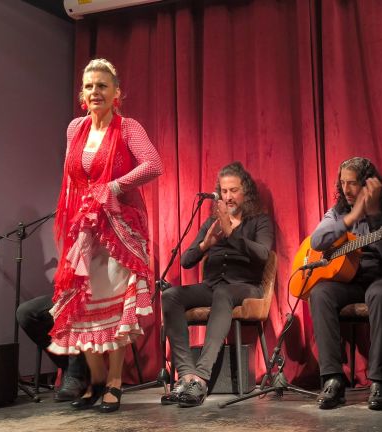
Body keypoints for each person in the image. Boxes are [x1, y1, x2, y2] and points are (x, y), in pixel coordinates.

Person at [47, 58, 163, 413]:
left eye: (102, 85)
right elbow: (71, 178)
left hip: (119, 227)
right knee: (82, 306)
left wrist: (113, 185)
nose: (95, 91)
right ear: (81, 94)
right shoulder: (75, 129)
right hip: (83, 227)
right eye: (89, 86)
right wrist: (68, 218)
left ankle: (114, 383)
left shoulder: (128, 128)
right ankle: (95, 382)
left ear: (117, 93)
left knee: (113, 308)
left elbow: (154, 164)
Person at [160, 162, 274, 408]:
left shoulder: (259, 221)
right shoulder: (210, 222)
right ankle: (186, 375)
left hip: (246, 288)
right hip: (213, 287)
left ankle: (201, 379)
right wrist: (206, 243)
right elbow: (187, 260)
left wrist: (233, 234)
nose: (228, 196)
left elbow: (264, 254)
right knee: (170, 295)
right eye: (224, 191)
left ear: (246, 192)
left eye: (234, 190)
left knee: (223, 292)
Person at [308, 157, 382, 410]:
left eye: (352, 183)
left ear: (367, 184)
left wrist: (373, 216)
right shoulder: (337, 212)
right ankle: (332, 378)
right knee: (320, 292)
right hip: (352, 279)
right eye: (342, 183)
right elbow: (317, 241)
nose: (346, 189)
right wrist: (351, 218)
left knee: (378, 293)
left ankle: (379, 381)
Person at [16, 295, 89, 401]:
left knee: (76, 304)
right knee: (25, 312)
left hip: (91, 293)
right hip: (65, 293)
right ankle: (68, 366)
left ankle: (76, 375)